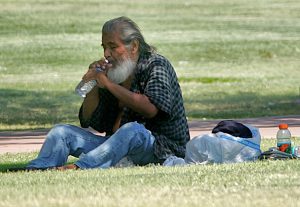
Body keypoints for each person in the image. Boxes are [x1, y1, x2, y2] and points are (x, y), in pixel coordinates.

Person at [26, 16, 190, 170]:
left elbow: (150, 109)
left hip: (160, 148)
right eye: (104, 47)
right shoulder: (115, 72)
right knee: (61, 132)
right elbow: (91, 121)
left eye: (113, 47)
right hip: (116, 147)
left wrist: (108, 84)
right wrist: (94, 84)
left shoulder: (156, 65)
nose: (106, 54)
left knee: (132, 130)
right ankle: (40, 168)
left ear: (133, 46)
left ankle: (81, 167)